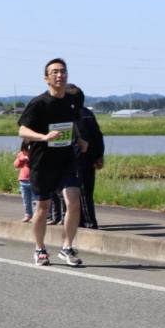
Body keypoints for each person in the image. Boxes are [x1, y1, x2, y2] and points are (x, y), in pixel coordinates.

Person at [17, 57, 87, 267]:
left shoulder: (71, 101)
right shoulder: (38, 103)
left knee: (73, 202)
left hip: (66, 160)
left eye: (63, 71)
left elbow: (72, 123)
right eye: (55, 72)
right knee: (43, 207)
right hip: (42, 161)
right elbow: (22, 130)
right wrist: (44, 137)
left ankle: (67, 248)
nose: (60, 75)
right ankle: (40, 249)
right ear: (46, 78)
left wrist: (80, 139)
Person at [68, 84, 105, 229]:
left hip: (78, 158)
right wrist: (99, 156)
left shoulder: (76, 116)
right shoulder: (88, 113)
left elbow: (83, 139)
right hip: (90, 158)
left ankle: (88, 223)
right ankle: (84, 221)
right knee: (86, 192)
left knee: (80, 192)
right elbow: (98, 136)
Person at [13, 142, 33, 222]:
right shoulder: (21, 155)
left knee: (35, 201)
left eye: (27, 151)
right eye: (24, 150)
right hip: (23, 180)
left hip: (33, 181)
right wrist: (21, 159)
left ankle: (36, 216)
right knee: (26, 200)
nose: (26, 153)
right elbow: (16, 165)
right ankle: (28, 214)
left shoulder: (35, 155)